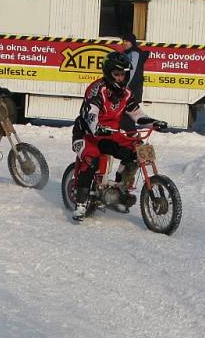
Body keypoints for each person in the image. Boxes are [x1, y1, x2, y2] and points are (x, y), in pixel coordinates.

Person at [71, 51, 167, 222]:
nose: (120, 78)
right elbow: (91, 114)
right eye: (116, 74)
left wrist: (153, 123)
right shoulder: (97, 90)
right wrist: (97, 128)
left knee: (135, 151)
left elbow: (137, 114)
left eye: (123, 74)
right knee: (91, 160)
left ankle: (121, 191)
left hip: (111, 134)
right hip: (87, 134)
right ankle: (80, 204)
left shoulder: (126, 94)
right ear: (108, 74)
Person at [120, 32, 149, 103]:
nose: (125, 43)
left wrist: (126, 85)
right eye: (123, 41)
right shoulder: (125, 53)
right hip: (125, 86)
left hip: (133, 87)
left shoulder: (135, 53)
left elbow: (132, 70)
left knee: (131, 109)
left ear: (132, 42)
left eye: (127, 41)